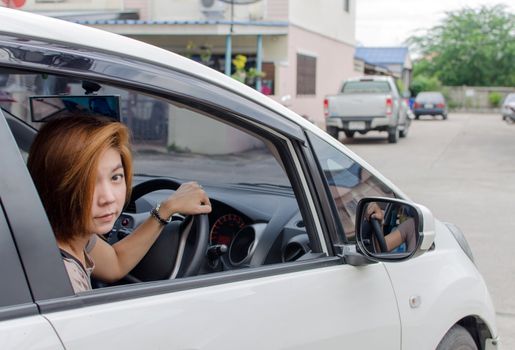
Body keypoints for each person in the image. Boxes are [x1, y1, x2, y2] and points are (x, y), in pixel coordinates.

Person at [27, 114, 212, 293]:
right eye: (87, 182)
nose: (108, 197)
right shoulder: (61, 278)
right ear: (54, 185)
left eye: (115, 177)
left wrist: (167, 209)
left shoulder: (71, 233)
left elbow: (115, 263)